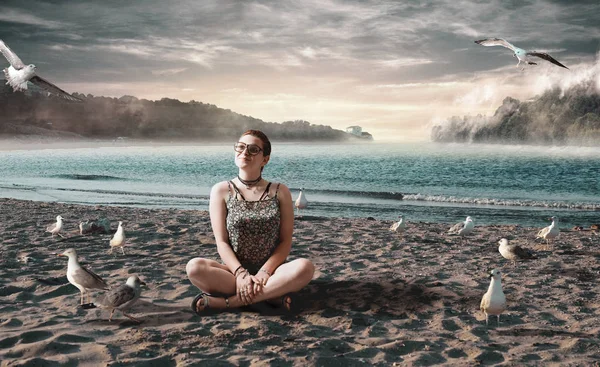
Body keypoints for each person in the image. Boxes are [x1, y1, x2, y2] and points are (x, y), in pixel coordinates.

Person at [186, 130, 315, 314]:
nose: (244, 152)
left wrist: (264, 272)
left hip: (273, 273)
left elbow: (285, 241)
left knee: (305, 267)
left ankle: (228, 303)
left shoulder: (280, 191)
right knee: (194, 267)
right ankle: (271, 297)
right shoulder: (221, 190)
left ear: (265, 159)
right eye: (240, 147)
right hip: (233, 273)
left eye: (253, 149)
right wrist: (240, 274)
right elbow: (221, 242)